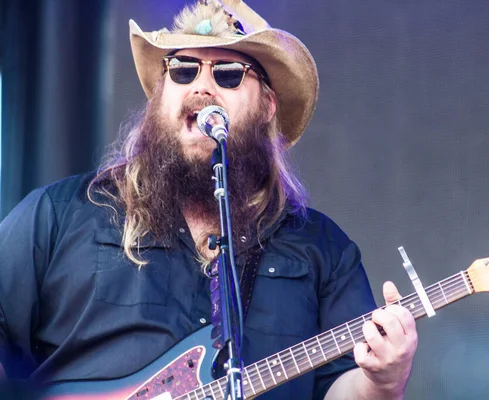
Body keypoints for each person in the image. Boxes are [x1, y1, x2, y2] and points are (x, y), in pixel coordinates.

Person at [0, 0, 418, 399]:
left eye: (229, 73)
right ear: (161, 93)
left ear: (268, 105)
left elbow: (341, 387)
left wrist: (384, 381)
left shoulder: (321, 249)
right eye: (183, 69)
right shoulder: (60, 215)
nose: (202, 86)